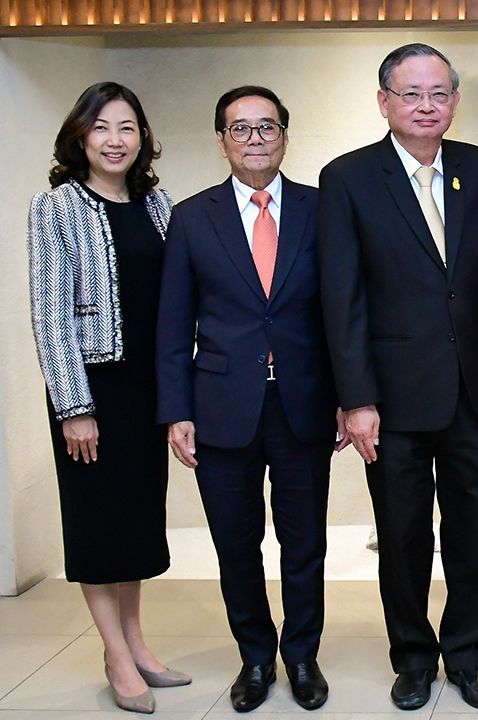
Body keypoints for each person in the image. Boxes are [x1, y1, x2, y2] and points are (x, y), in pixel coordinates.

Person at [317, 42, 478, 711]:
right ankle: (413, 657)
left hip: (475, 390)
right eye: (411, 94)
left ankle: (468, 657)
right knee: (402, 537)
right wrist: (356, 399)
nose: (426, 106)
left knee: (474, 532)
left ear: (454, 101)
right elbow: (340, 298)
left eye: (438, 93)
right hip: (391, 399)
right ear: (384, 102)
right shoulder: (348, 178)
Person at [155, 86, 343, 713]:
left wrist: (349, 397)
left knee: (304, 541)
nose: (255, 138)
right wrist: (176, 410)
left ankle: (302, 655)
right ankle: (256, 657)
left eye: (267, 127)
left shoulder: (324, 210)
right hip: (219, 407)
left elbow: (342, 313)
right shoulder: (191, 217)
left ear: (285, 135)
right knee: (236, 542)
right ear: (222, 140)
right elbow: (173, 323)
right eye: (241, 129)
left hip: (304, 403)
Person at [27, 81, 189, 715]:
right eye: (101, 128)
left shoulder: (158, 204)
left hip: (149, 387)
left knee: (137, 521)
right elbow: (51, 313)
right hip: (92, 388)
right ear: (80, 136)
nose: (115, 140)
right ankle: (116, 656)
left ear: (143, 137)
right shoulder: (57, 206)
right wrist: (74, 407)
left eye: (127, 127)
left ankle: (137, 642)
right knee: (99, 523)